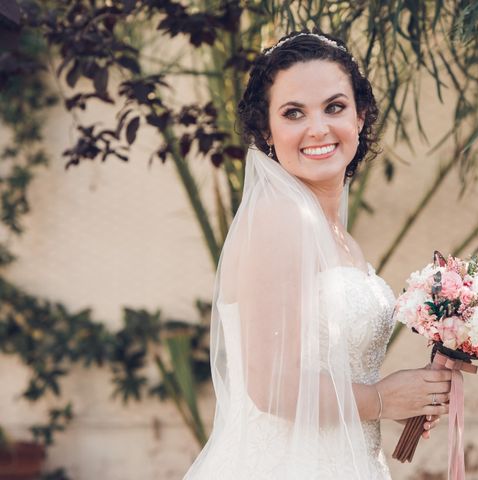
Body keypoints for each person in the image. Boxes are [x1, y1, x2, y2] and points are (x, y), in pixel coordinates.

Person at [183, 29, 452, 480]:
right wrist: (384, 398)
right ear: (267, 130)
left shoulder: (337, 236)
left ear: (361, 116)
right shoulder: (277, 221)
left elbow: (335, 377)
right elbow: (272, 387)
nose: (318, 128)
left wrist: (410, 398)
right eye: (293, 113)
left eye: (334, 107)